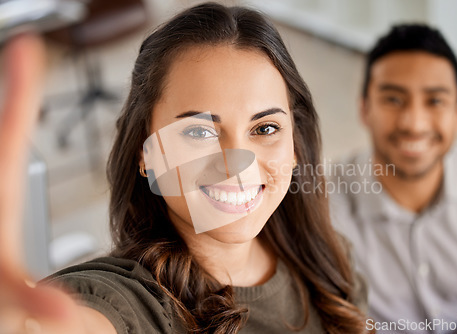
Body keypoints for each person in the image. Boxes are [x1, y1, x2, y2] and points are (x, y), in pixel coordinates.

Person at [0, 3, 370, 333]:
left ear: (295, 147)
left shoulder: (330, 259)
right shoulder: (134, 302)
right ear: (144, 153)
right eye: (199, 131)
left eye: (265, 128)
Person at [330, 24, 457, 334]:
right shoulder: (322, 203)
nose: (414, 123)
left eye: (435, 101)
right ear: (365, 109)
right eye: (393, 100)